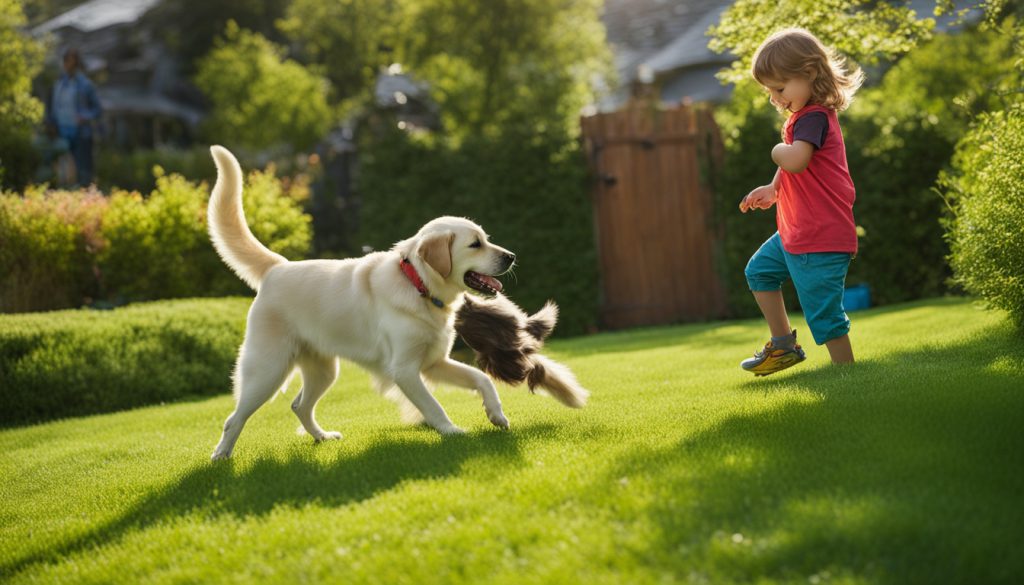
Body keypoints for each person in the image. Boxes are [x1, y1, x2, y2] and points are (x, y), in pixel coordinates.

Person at [737, 28, 864, 376]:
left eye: (780, 88)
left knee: (824, 315)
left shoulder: (814, 117)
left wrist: (776, 150)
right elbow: (797, 168)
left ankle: (849, 376)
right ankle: (783, 346)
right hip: (796, 231)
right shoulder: (803, 119)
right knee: (759, 272)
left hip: (819, 236)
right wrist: (774, 189)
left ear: (808, 73)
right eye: (770, 91)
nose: (775, 98)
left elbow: (795, 160)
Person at [44, 47, 102, 186]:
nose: (68, 65)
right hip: (61, 133)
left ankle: (86, 200)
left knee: (84, 172)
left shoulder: (85, 85)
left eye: (72, 62)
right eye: (66, 61)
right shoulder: (59, 84)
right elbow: (53, 108)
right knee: (61, 173)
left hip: (81, 134)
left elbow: (98, 110)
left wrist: (84, 117)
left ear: (77, 64)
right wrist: (49, 123)